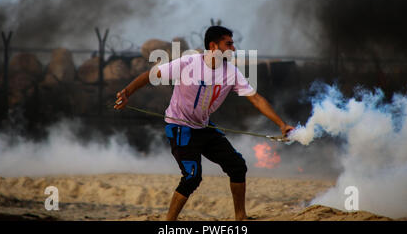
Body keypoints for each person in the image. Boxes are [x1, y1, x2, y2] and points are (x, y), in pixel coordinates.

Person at [114, 26, 294, 220]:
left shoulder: (231, 73)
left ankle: (240, 217)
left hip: (203, 127)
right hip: (179, 127)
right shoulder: (188, 63)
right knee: (192, 176)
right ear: (213, 46)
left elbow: (256, 99)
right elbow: (150, 76)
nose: (233, 49)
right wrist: (126, 93)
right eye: (229, 44)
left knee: (237, 166)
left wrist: (281, 124)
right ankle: (169, 223)